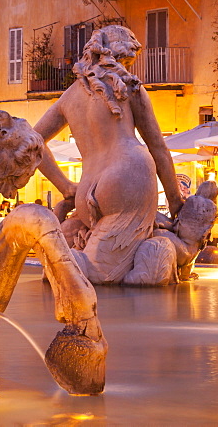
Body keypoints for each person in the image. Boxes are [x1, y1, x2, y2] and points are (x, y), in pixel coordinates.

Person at [35, 25, 185, 284]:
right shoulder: (128, 87)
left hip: (87, 188)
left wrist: (66, 187)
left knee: (75, 266)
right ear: (119, 58)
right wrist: (176, 205)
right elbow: (158, 148)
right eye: (128, 60)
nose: (129, 67)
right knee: (102, 273)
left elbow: (32, 142)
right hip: (129, 176)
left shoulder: (69, 97)